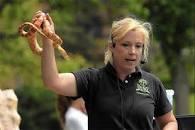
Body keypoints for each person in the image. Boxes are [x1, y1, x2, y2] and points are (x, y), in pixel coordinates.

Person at [34, 10, 178, 130]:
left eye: (138, 46)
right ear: (112, 46)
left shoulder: (152, 83)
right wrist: (48, 38)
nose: (133, 51)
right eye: (126, 45)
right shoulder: (93, 79)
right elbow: (52, 81)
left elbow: (170, 121)